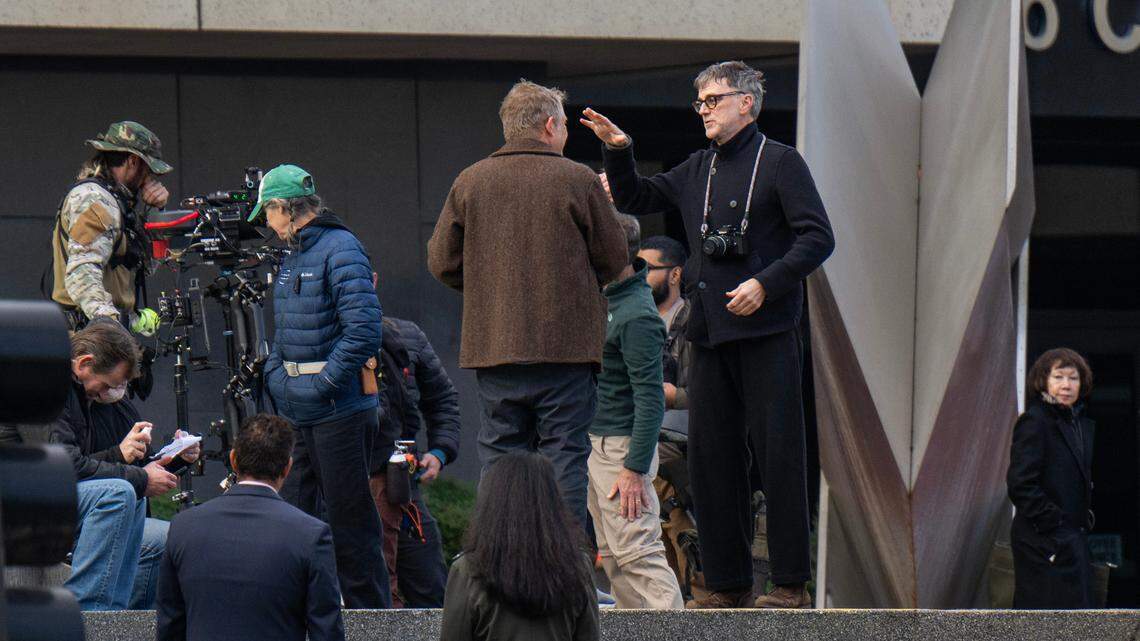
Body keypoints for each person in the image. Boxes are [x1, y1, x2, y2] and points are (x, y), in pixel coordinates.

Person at [582, 60, 835, 608]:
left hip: (767, 330)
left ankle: (789, 584)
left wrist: (766, 284)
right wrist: (619, 149)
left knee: (779, 456)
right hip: (711, 332)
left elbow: (818, 238)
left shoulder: (782, 162)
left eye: (713, 100)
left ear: (747, 102)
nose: (703, 110)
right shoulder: (700, 165)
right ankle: (727, 584)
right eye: (699, 102)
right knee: (711, 458)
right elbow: (636, 196)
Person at [427, 80, 628, 527]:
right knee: (564, 456)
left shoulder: (471, 180)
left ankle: (496, 559)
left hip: (494, 346)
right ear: (551, 125)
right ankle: (566, 559)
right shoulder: (577, 179)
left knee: (500, 457)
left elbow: (441, 262)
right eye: (565, 126)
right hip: (567, 349)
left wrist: (491, 290)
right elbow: (615, 257)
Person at [252, 164, 390, 608]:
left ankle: (371, 624)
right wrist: (278, 376)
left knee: (351, 524)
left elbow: (364, 332)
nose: (266, 224)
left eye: (267, 213)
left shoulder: (342, 247)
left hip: (340, 411)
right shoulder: (293, 254)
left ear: (284, 207)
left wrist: (324, 382)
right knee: (293, 516)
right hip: (298, 410)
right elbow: (286, 331)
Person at [49, 321, 199, 610]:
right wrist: (126, 462)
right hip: (28, 497)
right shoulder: (51, 387)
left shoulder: (88, 396)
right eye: (109, 384)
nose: (113, 391)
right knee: (120, 493)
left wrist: (175, 458)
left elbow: (122, 468)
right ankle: (88, 614)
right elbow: (65, 466)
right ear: (84, 363)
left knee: (135, 499)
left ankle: (116, 616)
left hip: (60, 493)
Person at [156, 414, 345, 641]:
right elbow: (327, 632)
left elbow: (169, 627)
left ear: (233, 460)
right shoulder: (311, 535)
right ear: (287, 467)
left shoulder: (183, 527)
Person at [587, 215, 683, 609]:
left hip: (621, 449)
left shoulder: (637, 314)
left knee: (638, 554)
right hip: (598, 442)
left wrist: (634, 468)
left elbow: (650, 397)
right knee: (614, 558)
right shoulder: (609, 296)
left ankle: (675, 632)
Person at [441, 451, 599, 641]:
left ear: (491, 503)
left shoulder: (467, 569)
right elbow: (588, 635)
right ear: (554, 502)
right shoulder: (578, 566)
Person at [369, 310, 460, 608]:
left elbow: (442, 398)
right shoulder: (319, 336)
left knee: (432, 592)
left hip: (402, 487)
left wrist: (440, 451)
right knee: (371, 599)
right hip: (346, 490)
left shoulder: (407, 335)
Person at [51, 121, 170, 335]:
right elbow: (82, 274)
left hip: (104, 333)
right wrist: (110, 327)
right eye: (148, 169)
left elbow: (149, 265)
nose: (149, 178)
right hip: (92, 337)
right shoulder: (95, 199)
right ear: (133, 161)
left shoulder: (117, 202)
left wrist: (156, 213)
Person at [1007, 348, 1097, 609]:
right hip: (1043, 543)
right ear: (1043, 381)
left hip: (1070, 540)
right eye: (1058, 377)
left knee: (1080, 620)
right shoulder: (1035, 421)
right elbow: (1020, 484)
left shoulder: (1076, 422)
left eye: (1073, 378)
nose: (1066, 385)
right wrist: (1054, 523)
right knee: (1046, 620)